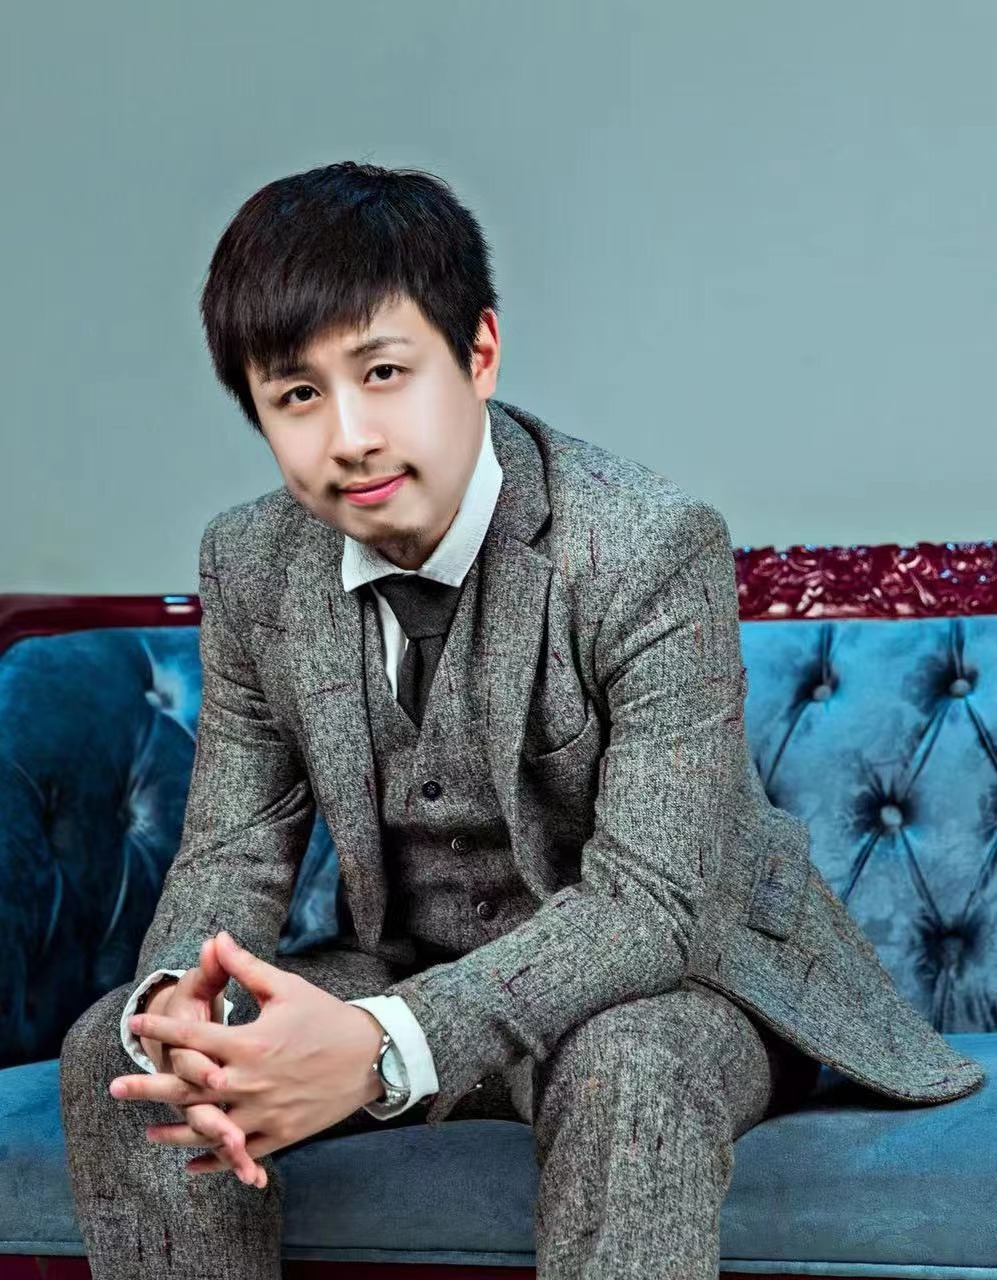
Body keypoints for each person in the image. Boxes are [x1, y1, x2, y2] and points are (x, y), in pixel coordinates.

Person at [59, 160, 986, 1280]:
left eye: (384, 372)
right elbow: (232, 850)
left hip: (677, 980)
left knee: (628, 1066)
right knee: (127, 1056)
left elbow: (652, 906)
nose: (349, 435)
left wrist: (382, 1044)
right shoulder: (252, 563)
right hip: (405, 964)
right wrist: (180, 1006)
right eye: (297, 395)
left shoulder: (646, 546)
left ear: (478, 354)